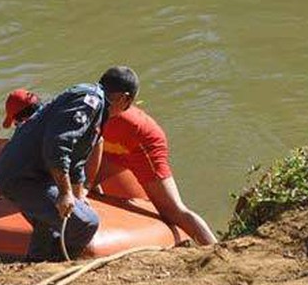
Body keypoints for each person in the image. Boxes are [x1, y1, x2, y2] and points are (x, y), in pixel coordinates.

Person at [0, 66, 137, 261]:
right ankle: (58, 265)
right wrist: (65, 193)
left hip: (28, 174)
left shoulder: (96, 108)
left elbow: (77, 161)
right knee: (86, 222)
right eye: (129, 104)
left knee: (49, 226)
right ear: (124, 98)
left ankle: (37, 265)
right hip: (23, 177)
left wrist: (78, 195)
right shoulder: (90, 102)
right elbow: (58, 145)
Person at [87, 101, 218, 246]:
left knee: (172, 210)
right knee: (87, 184)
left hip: (143, 148)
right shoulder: (90, 110)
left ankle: (213, 248)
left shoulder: (102, 114)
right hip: (115, 147)